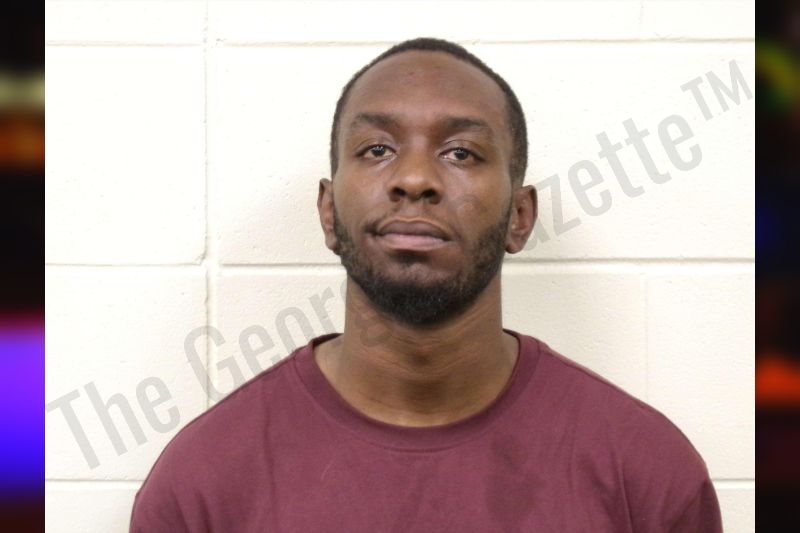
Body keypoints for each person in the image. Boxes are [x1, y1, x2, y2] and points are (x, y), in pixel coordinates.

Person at [130, 37, 722, 532]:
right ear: (329, 212)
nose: (414, 178)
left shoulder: (647, 477)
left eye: (461, 153)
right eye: (377, 149)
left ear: (519, 217)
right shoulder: (202, 487)